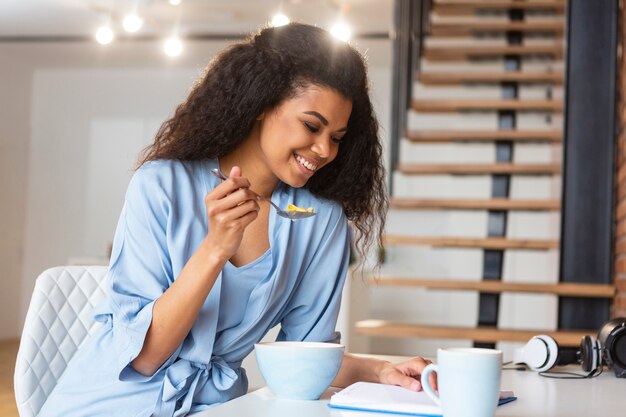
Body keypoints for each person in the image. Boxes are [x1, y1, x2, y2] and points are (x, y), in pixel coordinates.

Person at [39, 23, 434, 417]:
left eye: (337, 137)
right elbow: (144, 359)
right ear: (263, 103)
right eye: (312, 126)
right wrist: (215, 249)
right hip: (106, 402)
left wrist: (379, 370)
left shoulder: (319, 221)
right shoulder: (160, 185)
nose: (323, 149)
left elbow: (304, 358)